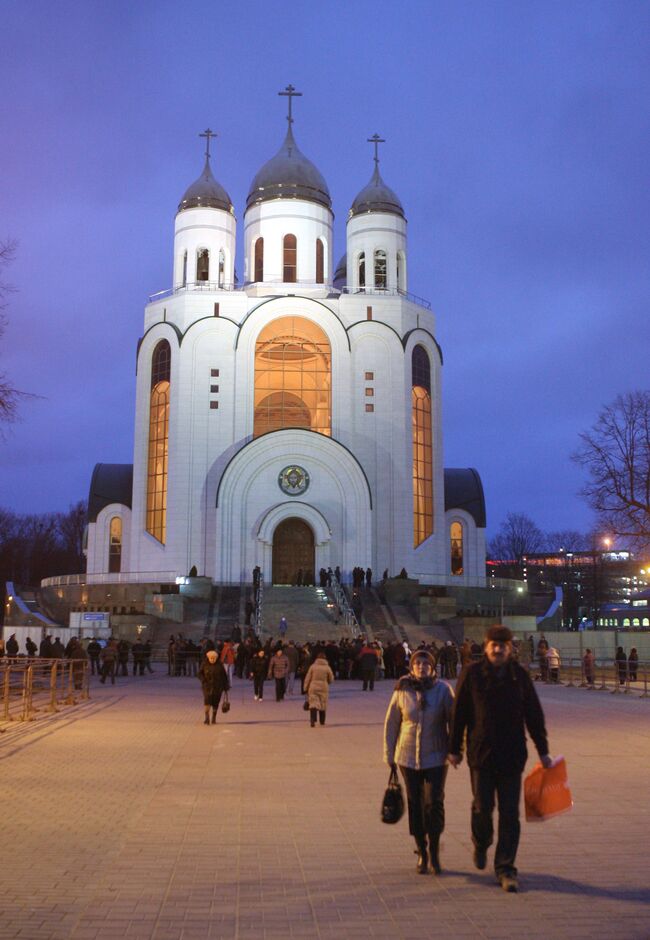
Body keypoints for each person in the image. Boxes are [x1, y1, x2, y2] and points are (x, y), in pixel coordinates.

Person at [448, 625, 553, 893]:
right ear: (486, 647)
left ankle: (506, 867)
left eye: (502, 645)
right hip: (480, 755)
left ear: (510, 648)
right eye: (493, 644)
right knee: (482, 808)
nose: (497, 649)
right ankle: (481, 843)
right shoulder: (472, 674)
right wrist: (454, 749)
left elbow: (534, 714)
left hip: (512, 756)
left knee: (510, 814)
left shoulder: (519, 676)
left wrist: (543, 749)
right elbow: (459, 713)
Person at [383, 649, 454, 875]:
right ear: (411, 667)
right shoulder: (402, 689)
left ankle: (434, 850)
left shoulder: (443, 690)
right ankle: (421, 851)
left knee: (433, 803)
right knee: (415, 804)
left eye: (426, 663)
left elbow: (454, 721)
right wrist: (389, 754)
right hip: (407, 756)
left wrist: (455, 750)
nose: (421, 667)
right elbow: (392, 723)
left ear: (432, 667)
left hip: (436, 756)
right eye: (417, 663)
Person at [198, 649, 229, 724]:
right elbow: (199, 673)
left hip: (218, 687)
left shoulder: (220, 665)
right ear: (208, 657)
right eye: (211, 658)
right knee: (207, 700)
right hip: (207, 686)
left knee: (215, 702)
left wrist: (226, 687)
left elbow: (224, 676)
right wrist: (203, 680)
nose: (212, 659)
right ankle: (207, 717)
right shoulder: (204, 664)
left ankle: (214, 718)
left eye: (214, 658)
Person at [304, 651, 334, 727]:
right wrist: (328, 682)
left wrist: (305, 687)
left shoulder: (313, 666)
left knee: (313, 703)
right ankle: (322, 721)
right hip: (324, 687)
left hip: (313, 686)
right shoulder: (327, 667)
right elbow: (331, 679)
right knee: (323, 703)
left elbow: (308, 678)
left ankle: (312, 720)